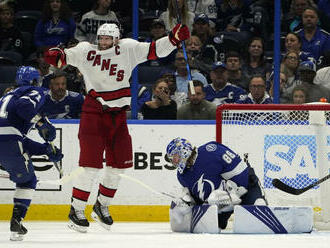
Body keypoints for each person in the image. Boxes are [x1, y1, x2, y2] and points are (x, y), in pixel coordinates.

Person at [44, 22, 190, 232]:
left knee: (120, 164)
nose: (103, 43)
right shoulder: (86, 51)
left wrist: (173, 39)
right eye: (101, 38)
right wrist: (54, 53)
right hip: (94, 112)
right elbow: (60, 58)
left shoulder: (128, 48)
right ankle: (76, 210)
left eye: (107, 39)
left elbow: (154, 49)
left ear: (116, 39)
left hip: (118, 115)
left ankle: (101, 205)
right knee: (91, 166)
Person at [0, 66, 63, 241]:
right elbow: (24, 106)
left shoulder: (8, 95)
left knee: (24, 176)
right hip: (8, 141)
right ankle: (16, 221)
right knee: (28, 181)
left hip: (7, 140)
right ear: (35, 80)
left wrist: (45, 150)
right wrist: (41, 122)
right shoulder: (35, 91)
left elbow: (16, 138)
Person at [165, 137, 266, 230]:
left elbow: (241, 172)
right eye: (172, 159)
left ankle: (257, 201)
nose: (174, 162)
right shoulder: (182, 176)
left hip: (245, 188)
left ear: (184, 151)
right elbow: (199, 198)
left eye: (175, 157)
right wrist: (188, 202)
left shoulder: (211, 150)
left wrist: (233, 194)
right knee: (210, 224)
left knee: (258, 216)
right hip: (221, 203)